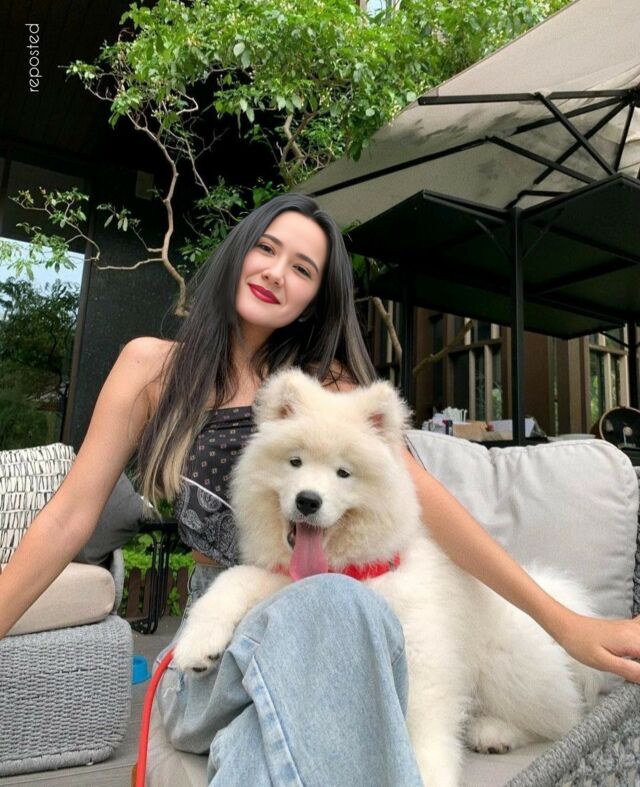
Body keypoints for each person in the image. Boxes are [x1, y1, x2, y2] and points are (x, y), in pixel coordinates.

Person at [2, 194, 640, 785]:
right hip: (217, 650)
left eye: (302, 269)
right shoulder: (151, 366)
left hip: (326, 651)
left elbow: (431, 508)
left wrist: (564, 624)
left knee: (318, 642)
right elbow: (69, 517)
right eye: (267, 248)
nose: (277, 272)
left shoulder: (328, 390)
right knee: (332, 608)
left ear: (312, 299)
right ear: (239, 251)